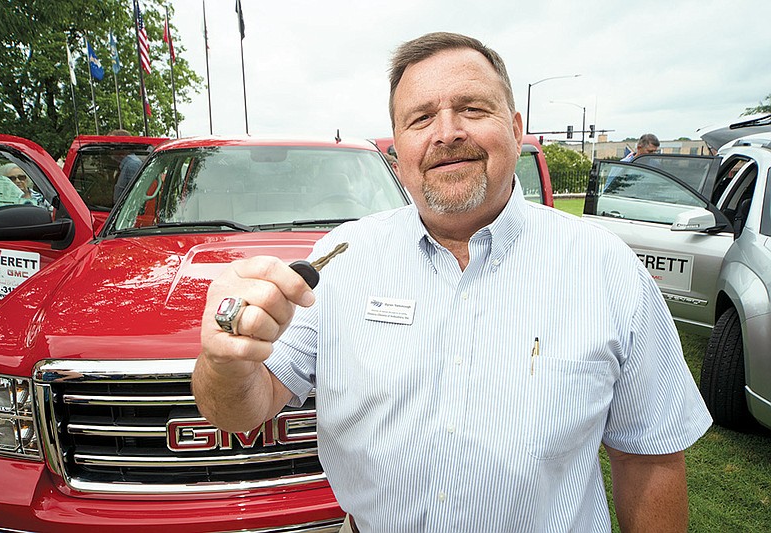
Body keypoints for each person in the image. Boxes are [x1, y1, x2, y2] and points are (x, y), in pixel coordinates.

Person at [193, 32, 711, 532]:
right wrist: (223, 361)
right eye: (420, 119)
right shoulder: (340, 261)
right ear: (397, 149)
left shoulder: (605, 268)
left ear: (515, 127)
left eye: (472, 109)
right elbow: (241, 412)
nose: (446, 132)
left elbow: (650, 455)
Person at [108, 129, 143, 203]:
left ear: (122, 146)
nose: (110, 150)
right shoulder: (125, 165)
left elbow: (136, 197)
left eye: (112, 146)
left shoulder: (132, 165)